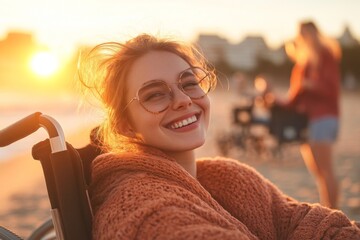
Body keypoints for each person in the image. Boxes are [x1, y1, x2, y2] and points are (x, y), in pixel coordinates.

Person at [78, 33, 360, 239]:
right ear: (125, 125)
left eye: (189, 83)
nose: (183, 100)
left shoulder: (226, 176)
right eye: (155, 94)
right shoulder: (143, 208)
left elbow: (304, 221)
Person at [280, 21, 342, 209]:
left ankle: (334, 214)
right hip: (309, 120)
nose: (306, 38)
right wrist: (275, 99)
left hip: (324, 118)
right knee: (318, 171)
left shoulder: (325, 55)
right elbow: (295, 97)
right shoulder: (303, 63)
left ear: (316, 34)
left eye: (309, 33)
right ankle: (329, 210)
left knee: (326, 170)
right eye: (303, 34)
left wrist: (310, 85)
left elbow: (332, 90)